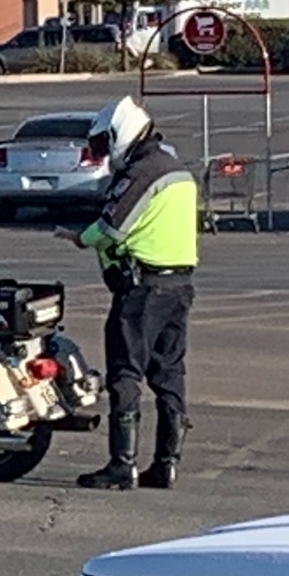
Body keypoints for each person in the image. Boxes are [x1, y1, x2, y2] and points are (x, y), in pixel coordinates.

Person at [56, 96, 199, 490]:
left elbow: (112, 227)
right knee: (169, 373)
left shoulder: (142, 173)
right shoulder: (177, 170)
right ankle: (167, 464)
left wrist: (79, 239)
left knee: (125, 372)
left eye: (104, 145)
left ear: (120, 136)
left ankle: (123, 464)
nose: (104, 155)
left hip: (143, 288)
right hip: (180, 284)